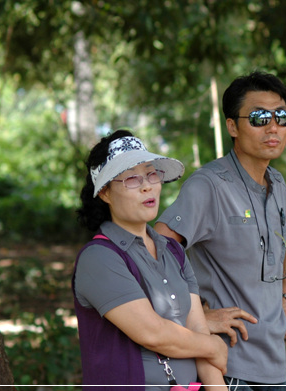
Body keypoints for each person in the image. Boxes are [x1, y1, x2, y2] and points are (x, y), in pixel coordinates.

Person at [155, 71, 286, 391]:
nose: (273, 126)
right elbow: (155, 246)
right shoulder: (208, 185)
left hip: (274, 362)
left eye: (282, 117)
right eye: (260, 117)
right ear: (232, 126)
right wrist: (195, 316)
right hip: (226, 363)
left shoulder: (276, 183)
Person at [73, 129, 228, 390]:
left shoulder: (174, 251)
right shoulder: (99, 258)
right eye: (131, 178)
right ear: (105, 193)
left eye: (151, 173)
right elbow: (154, 334)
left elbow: (198, 328)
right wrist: (215, 345)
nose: (147, 185)